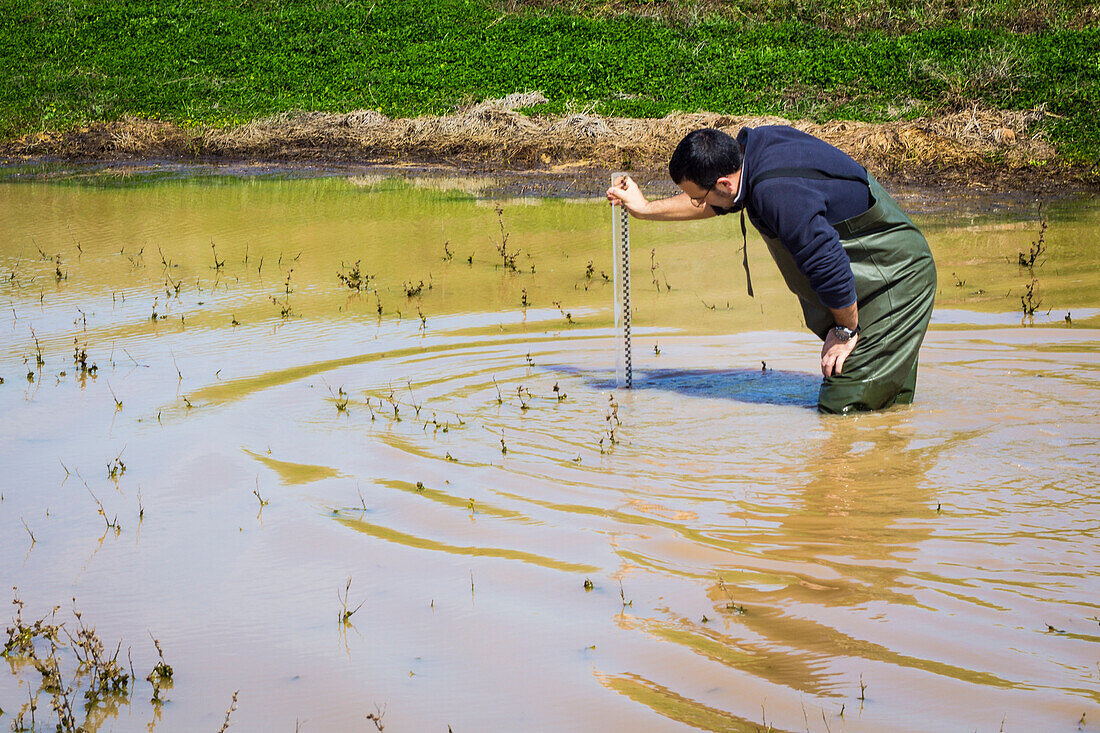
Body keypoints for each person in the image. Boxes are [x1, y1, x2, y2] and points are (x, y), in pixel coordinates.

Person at [606, 125, 937, 414]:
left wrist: (844, 332)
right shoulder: (752, 152)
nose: (697, 204)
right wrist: (646, 209)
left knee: (843, 408)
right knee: (887, 412)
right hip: (874, 278)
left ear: (722, 182)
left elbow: (829, 264)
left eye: (696, 198)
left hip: (895, 280)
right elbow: (720, 202)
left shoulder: (778, 194)